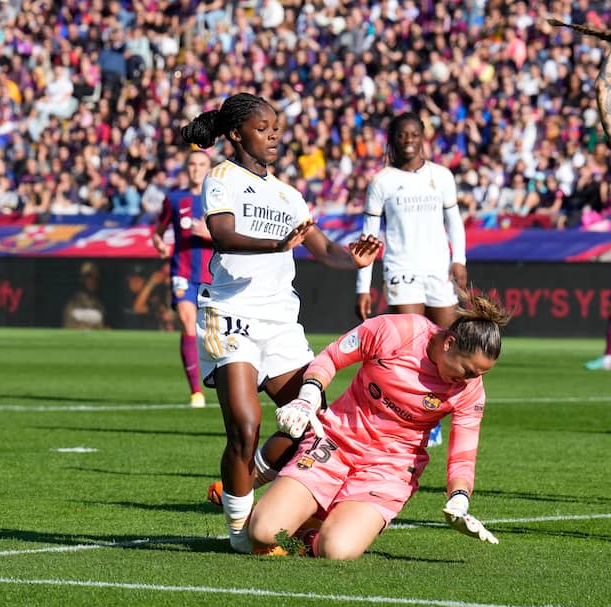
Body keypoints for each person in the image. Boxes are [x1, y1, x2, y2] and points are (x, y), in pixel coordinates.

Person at [180, 92, 381, 553]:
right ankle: (238, 534)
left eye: (276, 128)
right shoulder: (221, 177)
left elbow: (322, 247)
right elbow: (224, 234)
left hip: (280, 323)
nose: (273, 135)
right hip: (231, 315)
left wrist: (353, 259)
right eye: (263, 128)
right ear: (235, 134)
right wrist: (274, 246)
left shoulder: (289, 194)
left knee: (313, 426)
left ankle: (248, 478)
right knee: (245, 425)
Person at [246, 290, 511, 559]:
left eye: (479, 375)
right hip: (336, 441)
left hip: (390, 468)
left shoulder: (470, 389)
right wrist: (308, 396)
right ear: (449, 343)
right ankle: (293, 506)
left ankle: (312, 530)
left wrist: (459, 499)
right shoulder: (398, 331)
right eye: (467, 370)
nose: (469, 380)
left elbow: (463, 455)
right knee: (263, 532)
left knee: (335, 550)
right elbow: (331, 357)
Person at [354, 112, 468, 447]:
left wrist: (458, 259)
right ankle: (416, 417)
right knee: (409, 346)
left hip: (438, 269)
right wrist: (363, 286)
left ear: (422, 137)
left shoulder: (441, 176)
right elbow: (368, 237)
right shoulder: (382, 181)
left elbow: (455, 222)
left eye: (413, 134)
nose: (408, 140)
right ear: (393, 139)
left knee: (453, 343)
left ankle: (440, 411)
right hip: (401, 268)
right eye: (402, 135)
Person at [152, 150, 215, 408]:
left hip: (214, 275)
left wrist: (208, 234)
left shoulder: (219, 198)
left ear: (209, 169)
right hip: (183, 273)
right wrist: (158, 243)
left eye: (201, 164)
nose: (196, 169)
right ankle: (195, 392)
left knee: (215, 335)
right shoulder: (175, 199)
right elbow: (159, 231)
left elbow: (234, 235)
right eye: (192, 164)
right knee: (188, 325)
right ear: (186, 168)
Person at [63, 262, 106, 330]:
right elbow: (69, 327)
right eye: (89, 277)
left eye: (95, 277)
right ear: (82, 279)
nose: (92, 280)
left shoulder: (98, 304)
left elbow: (100, 327)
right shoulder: (73, 303)